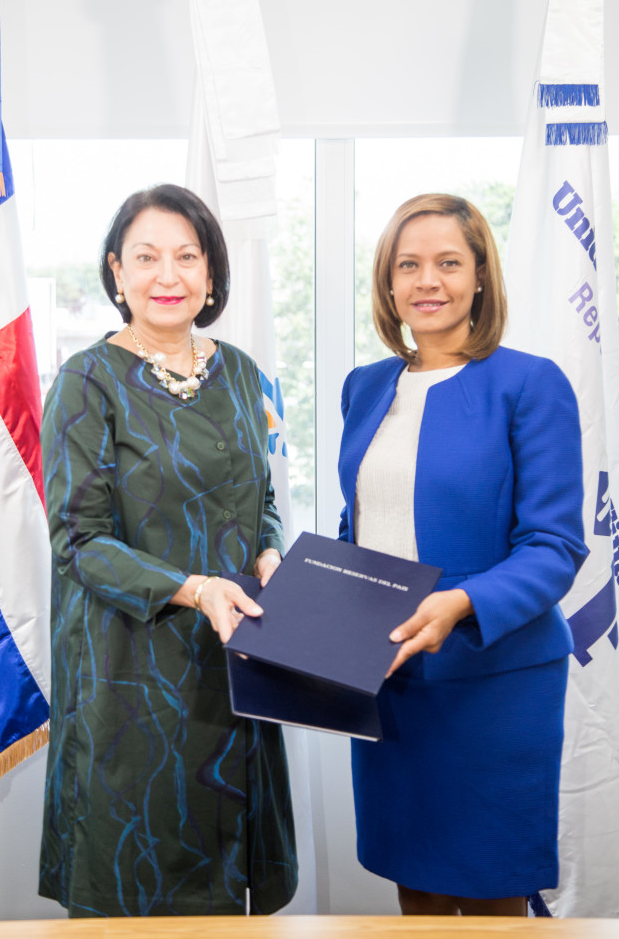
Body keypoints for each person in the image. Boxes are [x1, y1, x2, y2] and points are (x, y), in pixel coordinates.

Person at [39, 184, 297, 917]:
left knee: (229, 897)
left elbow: (261, 498)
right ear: (117, 272)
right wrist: (195, 589)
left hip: (236, 662)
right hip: (131, 677)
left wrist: (270, 552)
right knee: (137, 896)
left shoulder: (241, 372)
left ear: (211, 273)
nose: (168, 275)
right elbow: (79, 542)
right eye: (146, 257)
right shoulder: (86, 380)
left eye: (187, 257)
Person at [338, 193, 586, 917]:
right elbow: (363, 522)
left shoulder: (529, 383)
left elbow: (555, 545)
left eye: (449, 263)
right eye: (408, 265)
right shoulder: (364, 386)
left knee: (489, 895)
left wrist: (461, 603)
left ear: (480, 276)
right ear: (387, 283)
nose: (428, 281)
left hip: (493, 678)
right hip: (388, 673)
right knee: (413, 884)